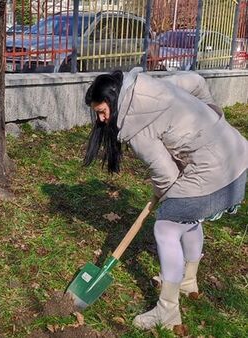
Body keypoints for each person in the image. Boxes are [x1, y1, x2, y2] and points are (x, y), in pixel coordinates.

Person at [83, 68, 248, 329]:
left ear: (115, 100)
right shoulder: (151, 87)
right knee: (186, 213)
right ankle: (187, 281)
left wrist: (170, 196)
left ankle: (167, 310)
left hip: (215, 172)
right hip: (236, 152)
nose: (101, 120)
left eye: (102, 112)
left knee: (166, 225)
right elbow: (196, 82)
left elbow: (167, 177)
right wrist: (213, 119)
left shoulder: (136, 129)